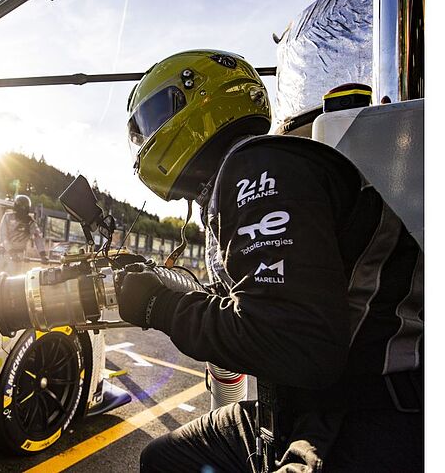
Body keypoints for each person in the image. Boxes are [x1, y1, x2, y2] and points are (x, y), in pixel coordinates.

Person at [117, 50, 422, 472]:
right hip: (303, 405)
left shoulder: (261, 166)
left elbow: (293, 342)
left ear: (196, 98)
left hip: (367, 410)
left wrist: (159, 305)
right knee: (165, 457)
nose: (145, 141)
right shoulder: (249, 175)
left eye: (150, 120)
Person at [0, 194, 48, 278]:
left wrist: (43, 254)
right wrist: (11, 251)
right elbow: (3, 236)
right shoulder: (7, 217)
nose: (23, 210)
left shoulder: (30, 222)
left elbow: (37, 238)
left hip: (18, 254)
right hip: (3, 252)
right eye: (21, 208)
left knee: (12, 279)